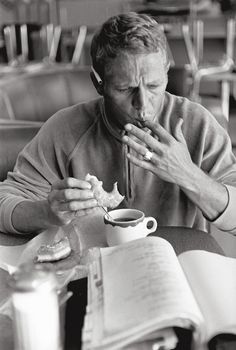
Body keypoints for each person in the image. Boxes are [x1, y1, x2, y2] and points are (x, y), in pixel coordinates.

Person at [0, 12, 236, 235]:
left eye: (154, 86)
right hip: (93, 262)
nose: (143, 105)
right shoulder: (66, 129)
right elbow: (5, 201)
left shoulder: (198, 124)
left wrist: (187, 174)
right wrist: (46, 213)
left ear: (166, 73)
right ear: (98, 83)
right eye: (124, 89)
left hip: (180, 261)